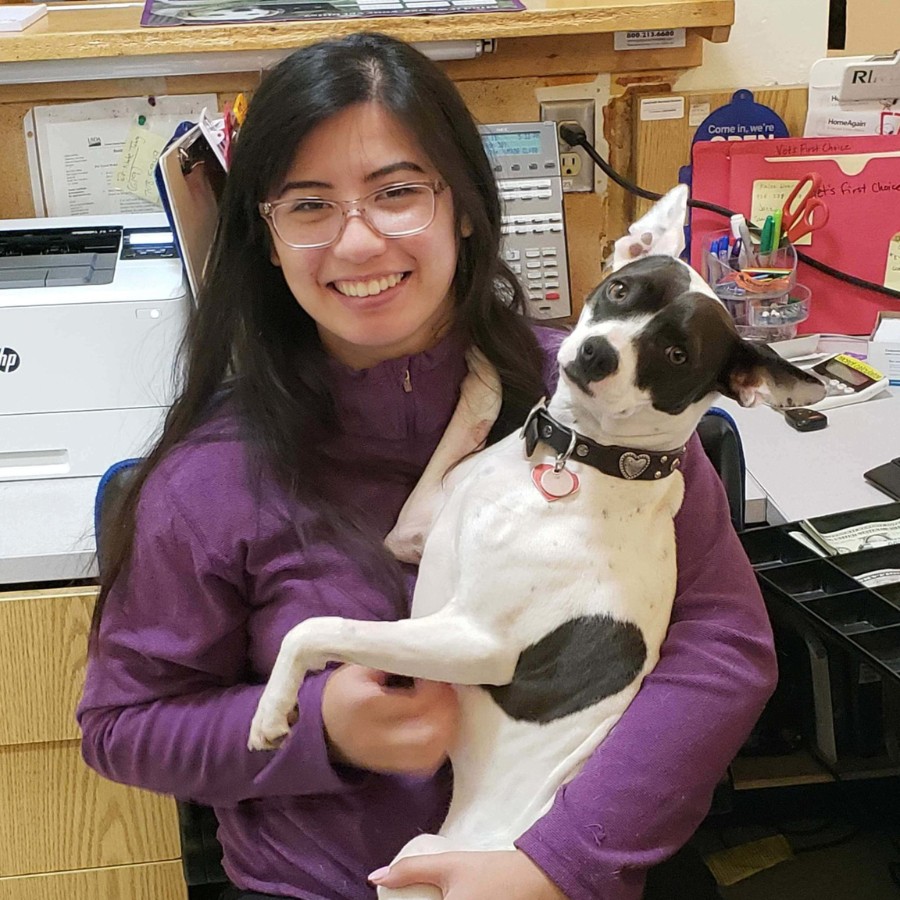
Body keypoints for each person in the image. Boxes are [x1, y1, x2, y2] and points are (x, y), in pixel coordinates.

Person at [78, 32, 777, 900]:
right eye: (308, 206)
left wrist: (561, 863)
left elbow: (724, 646)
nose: (359, 242)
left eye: (398, 192)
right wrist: (323, 728)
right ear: (264, 237)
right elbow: (123, 729)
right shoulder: (211, 480)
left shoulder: (602, 405)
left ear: (468, 207)